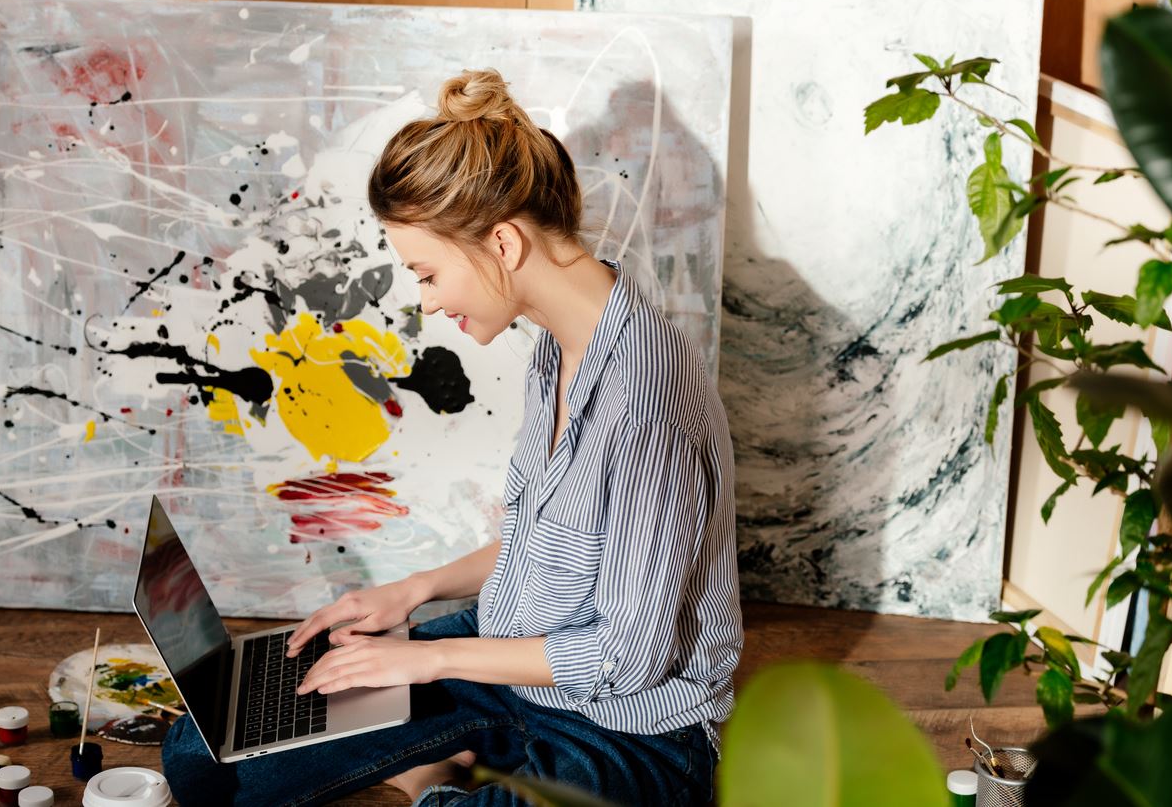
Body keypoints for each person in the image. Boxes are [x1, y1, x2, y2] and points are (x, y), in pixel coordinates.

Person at [162, 68, 743, 807]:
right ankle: (452, 749)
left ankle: (433, 768)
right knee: (202, 757)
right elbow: (551, 541)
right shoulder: (560, 347)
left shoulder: (642, 403)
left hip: (630, 729)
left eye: (428, 274)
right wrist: (412, 592)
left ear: (502, 242)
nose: (430, 303)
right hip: (509, 657)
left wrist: (428, 661)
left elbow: (627, 655)